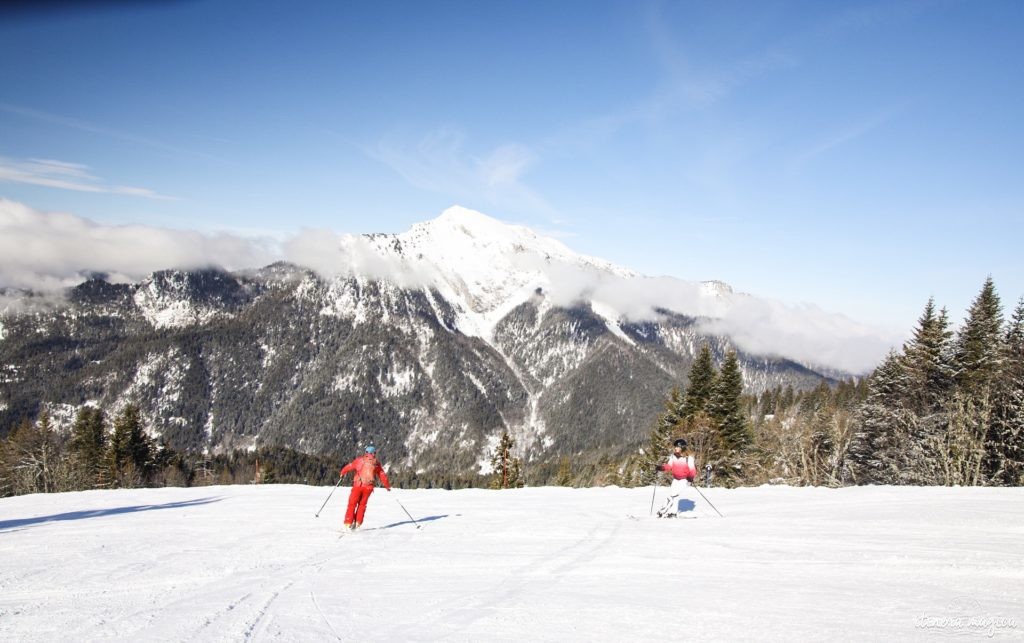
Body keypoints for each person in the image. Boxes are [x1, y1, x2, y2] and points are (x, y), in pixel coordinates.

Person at [339, 444, 391, 530]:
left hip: (358, 486)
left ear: (366, 453)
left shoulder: (360, 460)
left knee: (352, 504)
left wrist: (342, 472)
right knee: (362, 505)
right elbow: (382, 475)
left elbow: (350, 466)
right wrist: (387, 486)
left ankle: (348, 523)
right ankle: (358, 523)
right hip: (368, 488)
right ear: (374, 453)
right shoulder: (376, 463)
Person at [654, 438, 697, 518]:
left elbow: (692, 470)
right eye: (675, 447)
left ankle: (670, 511)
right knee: (671, 495)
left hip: (685, 479)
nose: (675, 448)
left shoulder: (688, 458)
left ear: (682, 447)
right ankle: (667, 511)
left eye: (677, 447)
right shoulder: (673, 456)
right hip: (676, 479)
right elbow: (669, 466)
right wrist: (661, 468)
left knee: (675, 494)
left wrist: (690, 477)